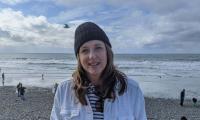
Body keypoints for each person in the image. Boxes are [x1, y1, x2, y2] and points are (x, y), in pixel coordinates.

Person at [50, 22, 147, 120]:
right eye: (85, 50)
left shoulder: (132, 89)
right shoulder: (64, 89)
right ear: (79, 56)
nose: (92, 56)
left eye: (98, 48)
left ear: (107, 52)